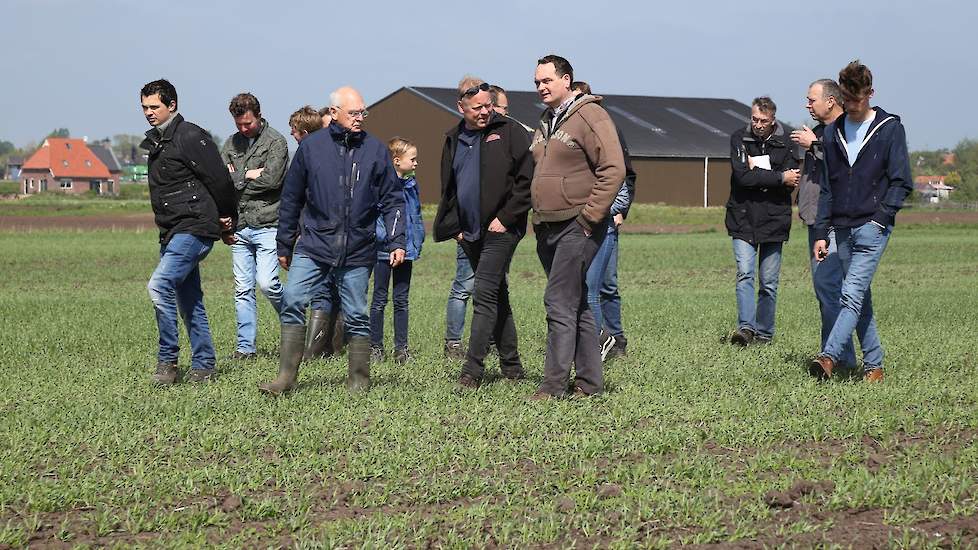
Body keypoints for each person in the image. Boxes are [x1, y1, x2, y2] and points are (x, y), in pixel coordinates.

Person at [259, 86, 405, 395]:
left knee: (356, 312)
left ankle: (358, 381)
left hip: (357, 248)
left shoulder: (376, 150)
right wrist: (285, 243)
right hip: (312, 245)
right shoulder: (311, 148)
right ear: (334, 113)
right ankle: (285, 378)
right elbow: (292, 198)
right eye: (353, 113)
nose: (359, 118)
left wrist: (397, 240)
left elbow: (393, 199)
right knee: (294, 301)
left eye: (362, 112)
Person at [810, 60, 913, 383]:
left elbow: (901, 181)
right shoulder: (831, 133)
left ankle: (828, 357)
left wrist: (880, 220)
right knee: (860, 298)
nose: (851, 107)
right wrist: (821, 231)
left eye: (857, 100)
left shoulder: (890, 129)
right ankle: (875, 366)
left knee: (850, 294)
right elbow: (828, 187)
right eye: (846, 100)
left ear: (870, 93)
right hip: (840, 227)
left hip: (872, 227)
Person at [528, 55, 624, 399]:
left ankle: (553, 386)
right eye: (537, 82)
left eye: (547, 81)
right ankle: (589, 383)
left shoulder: (590, 114)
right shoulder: (545, 120)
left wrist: (589, 218)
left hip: (577, 224)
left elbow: (614, 168)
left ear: (566, 80)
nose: (540, 87)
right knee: (576, 301)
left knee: (557, 301)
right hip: (546, 225)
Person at [434, 76, 534, 388]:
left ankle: (472, 371)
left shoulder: (510, 132)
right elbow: (449, 188)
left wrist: (506, 217)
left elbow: (527, 180)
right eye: (477, 107)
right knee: (497, 296)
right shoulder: (453, 138)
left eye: (488, 105)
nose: (485, 111)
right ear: (461, 106)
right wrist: (455, 228)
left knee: (484, 292)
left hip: (502, 229)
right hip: (470, 232)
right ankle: (513, 368)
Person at [139, 79, 237, 385]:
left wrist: (227, 218)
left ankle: (167, 361)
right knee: (189, 298)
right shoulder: (157, 141)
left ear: (172, 105)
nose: (148, 113)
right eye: (144, 107)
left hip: (194, 227)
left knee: (158, 286)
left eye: (154, 106)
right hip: (171, 231)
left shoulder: (191, 136)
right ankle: (205, 364)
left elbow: (220, 180)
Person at [792, 80, 879, 373]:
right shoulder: (818, 133)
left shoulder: (844, 131)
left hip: (835, 222)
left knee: (834, 290)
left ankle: (838, 358)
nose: (807, 105)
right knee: (839, 293)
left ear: (831, 101)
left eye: (811, 100)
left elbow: (845, 166)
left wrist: (815, 146)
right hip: (817, 221)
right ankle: (853, 359)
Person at [725, 97, 801, 346]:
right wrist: (779, 177)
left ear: (773, 121)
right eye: (754, 119)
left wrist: (758, 174)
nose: (757, 125)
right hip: (743, 219)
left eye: (763, 121)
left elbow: (793, 182)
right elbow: (742, 177)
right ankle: (746, 329)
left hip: (774, 220)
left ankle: (764, 334)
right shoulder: (739, 139)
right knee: (745, 274)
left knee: (768, 282)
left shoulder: (787, 143)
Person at [220, 93, 289, 360]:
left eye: (247, 123)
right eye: (239, 124)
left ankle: (294, 327)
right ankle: (245, 348)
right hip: (239, 225)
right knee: (242, 289)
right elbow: (220, 180)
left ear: (258, 115)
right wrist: (248, 175)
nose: (243, 128)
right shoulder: (230, 144)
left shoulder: (277, 142)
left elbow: (272, 181)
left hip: (269, 223)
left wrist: (236, 177)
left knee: (268, 283)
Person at [572, 80, 637, 361]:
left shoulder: (608, 133)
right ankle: (600, 341)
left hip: (605, 220)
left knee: (601, 287)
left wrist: (617, 209)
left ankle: (610, 341)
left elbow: (622, 177)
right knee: (590, 287)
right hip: (584, 222)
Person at [287, 107, 345, 361]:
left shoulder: (317, 153)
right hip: (322, 231)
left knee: (328, 288)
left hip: (326, 232)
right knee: (330, 288)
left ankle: (315, 349)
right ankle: (327, 347)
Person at [370, 137, 425, 365]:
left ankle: (401, 349)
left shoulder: (412, 186)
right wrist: (390, 243)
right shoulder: (381, 187)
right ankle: (375, 348)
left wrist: (416, 240)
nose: (415, 163)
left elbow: (416, 217)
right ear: (396, 160)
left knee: (402, 300)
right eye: (412, 159)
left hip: (407, 252)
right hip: (384, 252)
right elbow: (378, 220)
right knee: (379, 300)